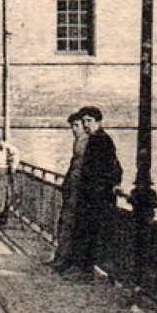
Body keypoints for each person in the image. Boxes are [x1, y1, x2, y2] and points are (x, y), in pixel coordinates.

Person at [58, 106, 122, 281]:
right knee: (85, 233)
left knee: (91, 234)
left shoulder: (102, 140)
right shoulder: (94, 139)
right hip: (88, 196)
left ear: (98, 122)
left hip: (96, 197)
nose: (86, 125)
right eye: (84, 121)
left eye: (89, 121)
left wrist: (111, 185)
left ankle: (87, 273)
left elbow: (113, 167)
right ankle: (84, 270)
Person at [50, 111, 88, 268]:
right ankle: (61, 257)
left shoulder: (85, 141)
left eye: (76, 125)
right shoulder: (79, 141)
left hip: (77, 192)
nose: (73, 129)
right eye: (72, 126)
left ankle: (64, 259)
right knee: (65, 223)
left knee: (69, 224)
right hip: (72, 190)